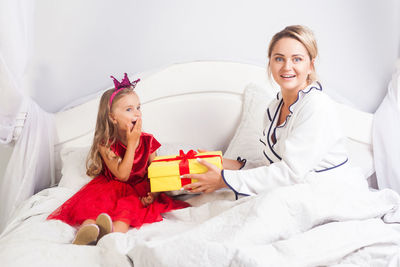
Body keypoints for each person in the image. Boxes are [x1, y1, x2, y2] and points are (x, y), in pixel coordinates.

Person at [182, 25, 349, 198]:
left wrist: (224, 179)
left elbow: (290, 173)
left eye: (297, 59)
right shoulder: (274, 108)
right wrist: (221, 163)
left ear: (311, 66)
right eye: (279, 59)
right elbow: (271, 168)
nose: (287, 67)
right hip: (293, 189)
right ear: (270, 62)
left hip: (325, 192)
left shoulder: (317, 105)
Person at [47, 73, 190, 245]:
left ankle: (110, 236)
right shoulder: (105, 143)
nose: (136, 113)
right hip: (110, 188)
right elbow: (122, 175)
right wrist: (131, 143)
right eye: (129, 109)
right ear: (113, 117)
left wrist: (154, 194)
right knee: (95, 208)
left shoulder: (148, 141)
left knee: (127, 209)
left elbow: (157, 173)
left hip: (137, 191)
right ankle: (86, 233)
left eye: (138, 107)